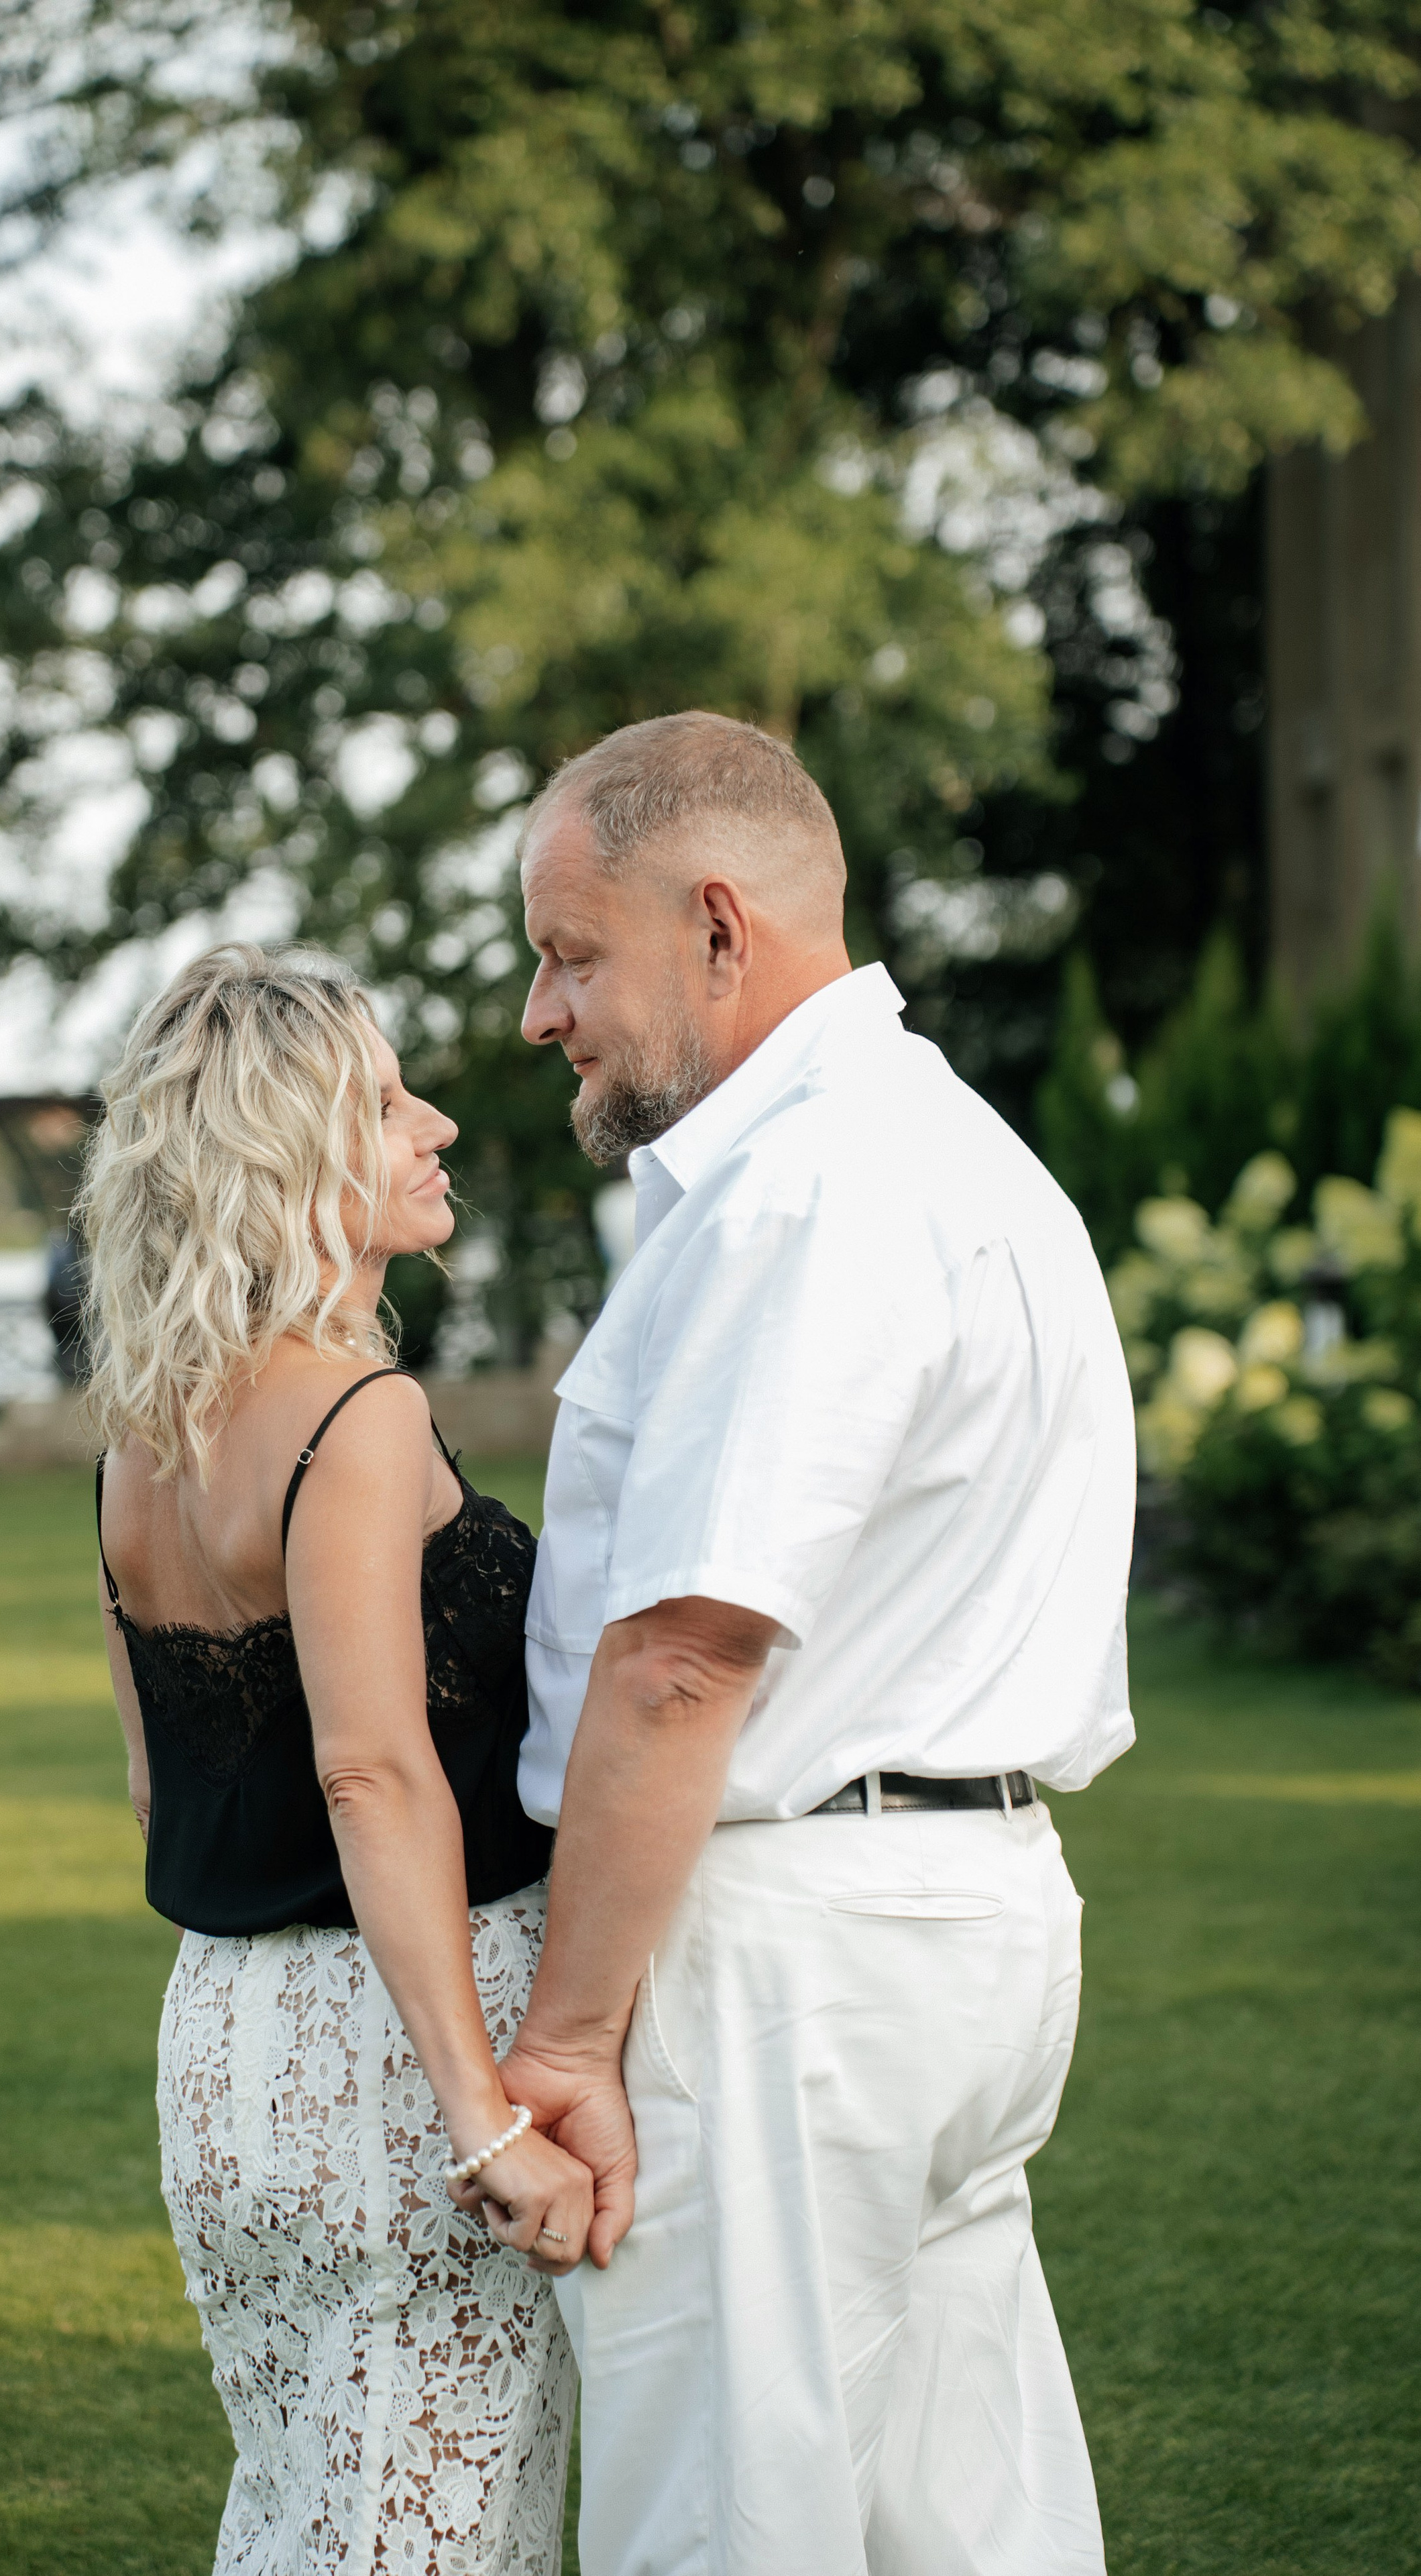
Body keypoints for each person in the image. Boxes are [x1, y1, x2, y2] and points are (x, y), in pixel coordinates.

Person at [499, 713, 1136, 2576]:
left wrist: (573, 2035)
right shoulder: (960, 1153)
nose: (546, 1013)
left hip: (791, 1960)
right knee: (972, 2519)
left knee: (731, 2527)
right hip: (967, 1925)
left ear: (716, 927)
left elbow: (685, 1658)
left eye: (568, 952)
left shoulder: (804, 1190)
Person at [79, 946, 587, 2576]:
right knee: (428, 2537)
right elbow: (372, 1777)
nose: (432, 1122)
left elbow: (163, 1785)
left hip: (224, 2048)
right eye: (381, 1102)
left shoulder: (143, 1437)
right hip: (394, 2060)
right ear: (286, 1153)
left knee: (301, 2505)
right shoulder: (352, 1415)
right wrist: (483, 2119)